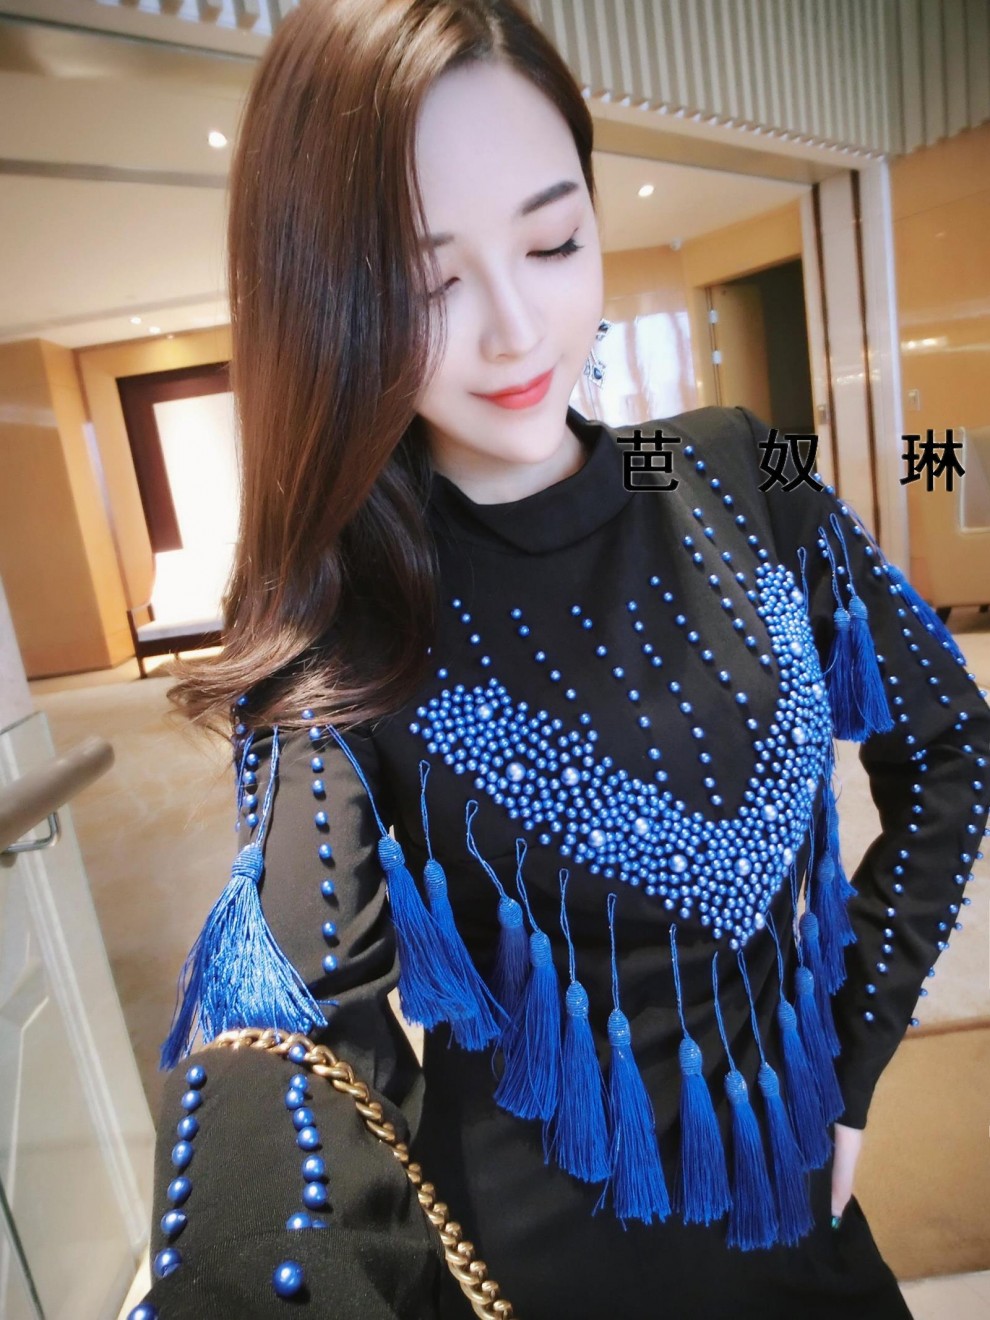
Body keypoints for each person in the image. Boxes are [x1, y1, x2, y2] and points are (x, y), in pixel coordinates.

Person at [129, 2, 990, 1317]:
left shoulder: (740, 464)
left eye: (552, 241)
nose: (518, 330)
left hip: (805, 1212)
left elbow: (950, 741)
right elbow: (287, 1031)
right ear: (333, 300)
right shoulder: (344, 617)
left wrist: (856, 1052)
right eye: (428, 283)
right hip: (538, 1265)